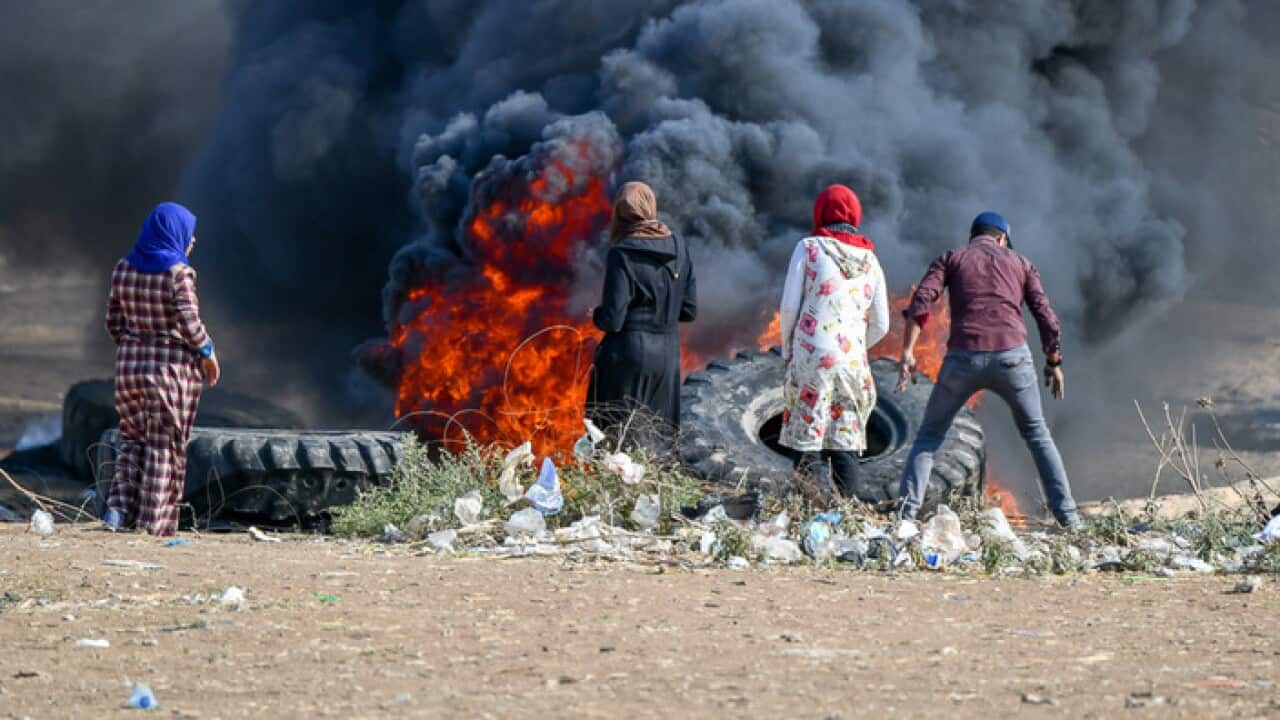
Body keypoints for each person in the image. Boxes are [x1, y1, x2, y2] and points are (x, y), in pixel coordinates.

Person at [895, 211, 1080, 527]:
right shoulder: (1021, 263)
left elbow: (922, 300)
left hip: (963, 359)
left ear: (974, 237)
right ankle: (1070, 519)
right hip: (1012, 359)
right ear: (1002, 238)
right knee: (1038, 436)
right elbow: (1046, 317)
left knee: (928, 438)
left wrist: (908, 351)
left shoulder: (952, 258)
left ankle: (905, 518)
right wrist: (1054, 362)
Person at [102, 202, 220, 536]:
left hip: (128, 370)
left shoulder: (122, 268)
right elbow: (189, 321)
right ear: (174, 233)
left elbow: (113, 322)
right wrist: (208, 353)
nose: (192, 240)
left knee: (131, 442)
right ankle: (152, 525)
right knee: (162, 447)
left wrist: (134, 347)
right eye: (189, 233)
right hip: (168, 373)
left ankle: (115, 514)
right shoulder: (179, 274)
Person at [778, 184, 889, 504]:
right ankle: (844, 515)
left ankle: (812, 511)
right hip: (853, 362)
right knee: (845, 440)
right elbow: (882, 324)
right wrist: (855, 348)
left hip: (812, 355)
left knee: (807, 439)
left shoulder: (809, 248)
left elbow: (789, 306)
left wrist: (788, 345)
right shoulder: (871, 260)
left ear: (821, 213)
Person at [586, 181, 696, 453]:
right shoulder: (679, 246)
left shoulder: (622, 253)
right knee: (659, 437)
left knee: (616, 438)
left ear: (620, 213)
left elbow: (613, 320)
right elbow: (689, 310)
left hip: (628, 356)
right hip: (667, 356)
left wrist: (596, 314)